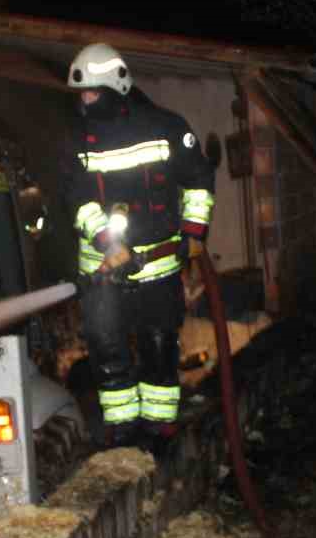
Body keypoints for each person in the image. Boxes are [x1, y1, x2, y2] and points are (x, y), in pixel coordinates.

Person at [65, 42, 214, 452]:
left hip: (161, 268)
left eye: (92, 93)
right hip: (104, 271)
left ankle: (160, 431)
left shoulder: (166, 127)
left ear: (116, 86)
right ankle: (122, 434)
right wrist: (108, 244)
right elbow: (77, 200)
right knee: (107, 349)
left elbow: (200, 179)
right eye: (81, 94)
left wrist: (194, 234)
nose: (84, 101)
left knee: (159, 346)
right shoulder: (78, 138)